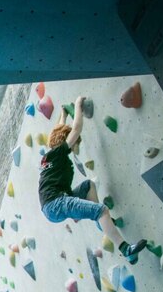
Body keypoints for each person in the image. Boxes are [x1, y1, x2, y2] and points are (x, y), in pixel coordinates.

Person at [38, 95, 147, 264]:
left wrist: (63, 114)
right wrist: (78, 105)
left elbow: (58, 132)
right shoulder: (58, 152)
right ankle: (126, 250)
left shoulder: (50, 156)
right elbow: (76, 129)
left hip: (52, 206)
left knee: (88, 186)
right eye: (75, 144)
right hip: (56, 203)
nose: (75, 147)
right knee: (101, 210)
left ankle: (100, 221)